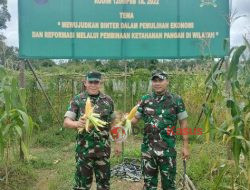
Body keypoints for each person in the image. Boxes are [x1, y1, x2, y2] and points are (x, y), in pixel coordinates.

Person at [131, 70, 189, 190]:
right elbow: (134, 120)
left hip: (167, 151)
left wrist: (185, 146)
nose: (157, 83)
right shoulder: (145, 99)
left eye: (160, 80)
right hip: (148, 151)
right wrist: (122, 121)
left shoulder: (176, 100)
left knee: (169, 185)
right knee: (148, 185)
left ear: (167, 82)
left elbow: (183, 123)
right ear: (152, 83)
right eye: (154, 81)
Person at [63, 71, 121, 190]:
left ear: (100, 83)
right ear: (85, 83)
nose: (93, 85)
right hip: (84, 151)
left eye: (96, 82)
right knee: (82, 185)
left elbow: (114, 124)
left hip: (103, 150)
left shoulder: (108, 101)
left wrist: (118, 143)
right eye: (91, 82)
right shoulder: (77, 100)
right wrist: (77, 123)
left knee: (104, 185)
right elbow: (66, 122)